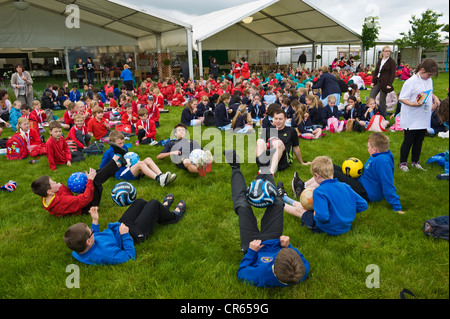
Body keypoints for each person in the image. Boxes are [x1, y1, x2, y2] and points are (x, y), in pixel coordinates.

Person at [223, 149, 310, 288]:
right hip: (273, 238)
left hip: (252, 243)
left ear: (273, 269)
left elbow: (242, 272)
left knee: (242, 205)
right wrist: (288, 246)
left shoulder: (261, 275)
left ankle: (235, 166)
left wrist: (252, 251)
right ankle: (264, 166)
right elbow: (304, 262)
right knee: (277, 202)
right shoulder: (300, 271)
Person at [292, 132, 405, 214]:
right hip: (361, 181)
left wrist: (397, 207)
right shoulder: (378, 156)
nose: (368, 149)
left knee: (330, 174)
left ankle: (302, 190)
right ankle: (303, 186)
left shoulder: (382, 161)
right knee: (330, 167)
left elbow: (388, 183)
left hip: (365, 193)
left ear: (375, 149)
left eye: (368, 147)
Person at [63, 195, 186, 266]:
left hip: (119, 227)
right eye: (91, 231)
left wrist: (95, 221)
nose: (93, 230)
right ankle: (173, 217)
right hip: (132, 234)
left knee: (140, 201)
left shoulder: (77, 250)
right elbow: (129, 257)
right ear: (88, 241)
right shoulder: (105, 254)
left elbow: (96, 237)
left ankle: (159, 211)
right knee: (153, 203)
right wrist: (125, 235)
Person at [281, 156, 368, 235]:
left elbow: (322, 217)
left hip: (327, 228)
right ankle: (285, 198)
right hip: (345, 227)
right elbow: (363, 205)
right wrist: (346, 211)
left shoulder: (319, 191)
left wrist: (315, 214)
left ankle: (280, 202)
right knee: (305, 206)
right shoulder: (345, 186)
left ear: (316, 175)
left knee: (301, 210)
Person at [31, 149, 124, 217]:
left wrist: (60, 187)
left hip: (80, 202)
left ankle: (117, 162)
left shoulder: (48, 197)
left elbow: (68, 193)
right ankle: (116, 158)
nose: (56, 182)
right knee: (95, 179)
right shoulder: (62, 202)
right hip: (89, 206)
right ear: (49, 191)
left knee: (94, 175)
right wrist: (90, 181)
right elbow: (85, 199)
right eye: (53, 183)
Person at [398, 59, 441, 172]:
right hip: (411, 117)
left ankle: (415, 161)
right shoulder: (410, 82)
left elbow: (428, 91)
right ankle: (403, 163)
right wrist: (413, 104)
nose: (429, 77)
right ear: (422, 70)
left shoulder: (428, 79)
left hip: (423, 116)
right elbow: (402, 98)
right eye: (429, 74)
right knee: (409, 140)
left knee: (419, 140)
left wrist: (434, 97)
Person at [99, 131, 176, 186]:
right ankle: (159, 179)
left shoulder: (124, 147)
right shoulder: (108, 153)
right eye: (119, 143)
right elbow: (102, 169)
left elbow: (127, 159)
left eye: (123, 142)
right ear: (112, 143)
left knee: (148, 159)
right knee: (141, 164)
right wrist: (115, 165)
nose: (122, 145)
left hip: (130, 169)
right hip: (121, 174)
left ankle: (162, 176)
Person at [259, 108, 310, 175]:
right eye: (276, 119)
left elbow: (296, 147)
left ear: (285, 119)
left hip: (284, 160)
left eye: (280, 119)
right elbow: (262, 147)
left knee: (278, 143)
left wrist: (302, 162)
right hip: (270, 158)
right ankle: (262, 168)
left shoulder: (291, 131)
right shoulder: (268, 130)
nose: (278, 121)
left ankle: (271, 173)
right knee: (260, 141)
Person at [369, 46, 397, 114]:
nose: (387, 52)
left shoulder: (391, 62)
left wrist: (389, 84)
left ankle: (382, 115)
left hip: (385, 83)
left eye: (389, 51)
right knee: (371, 97)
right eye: (386, 51)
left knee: (382, 100)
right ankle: (370, 113)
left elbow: (393, 74)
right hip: (377, 81)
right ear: (383, 52)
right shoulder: (380, 60)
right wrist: (373, 81)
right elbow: (376, 71)